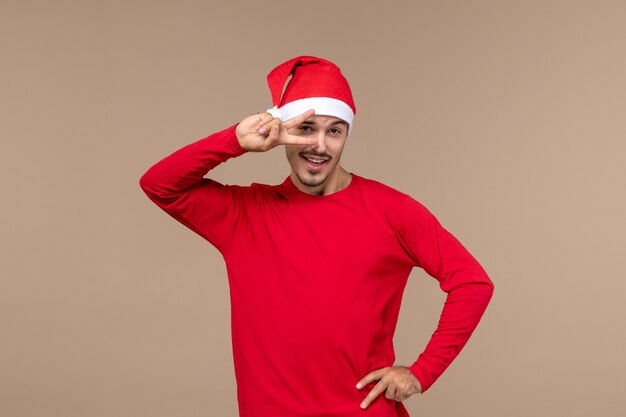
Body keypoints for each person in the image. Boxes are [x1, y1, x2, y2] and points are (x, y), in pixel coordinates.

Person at [139, 55, 494, 417]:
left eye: (334, 130)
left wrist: (421, 373)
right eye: (306, 128)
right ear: (282, 131)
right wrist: (235, 140)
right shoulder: (246, 214)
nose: (320, 146)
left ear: (346, 135)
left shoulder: (391, 210)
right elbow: (160, 185)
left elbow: (472, 282)